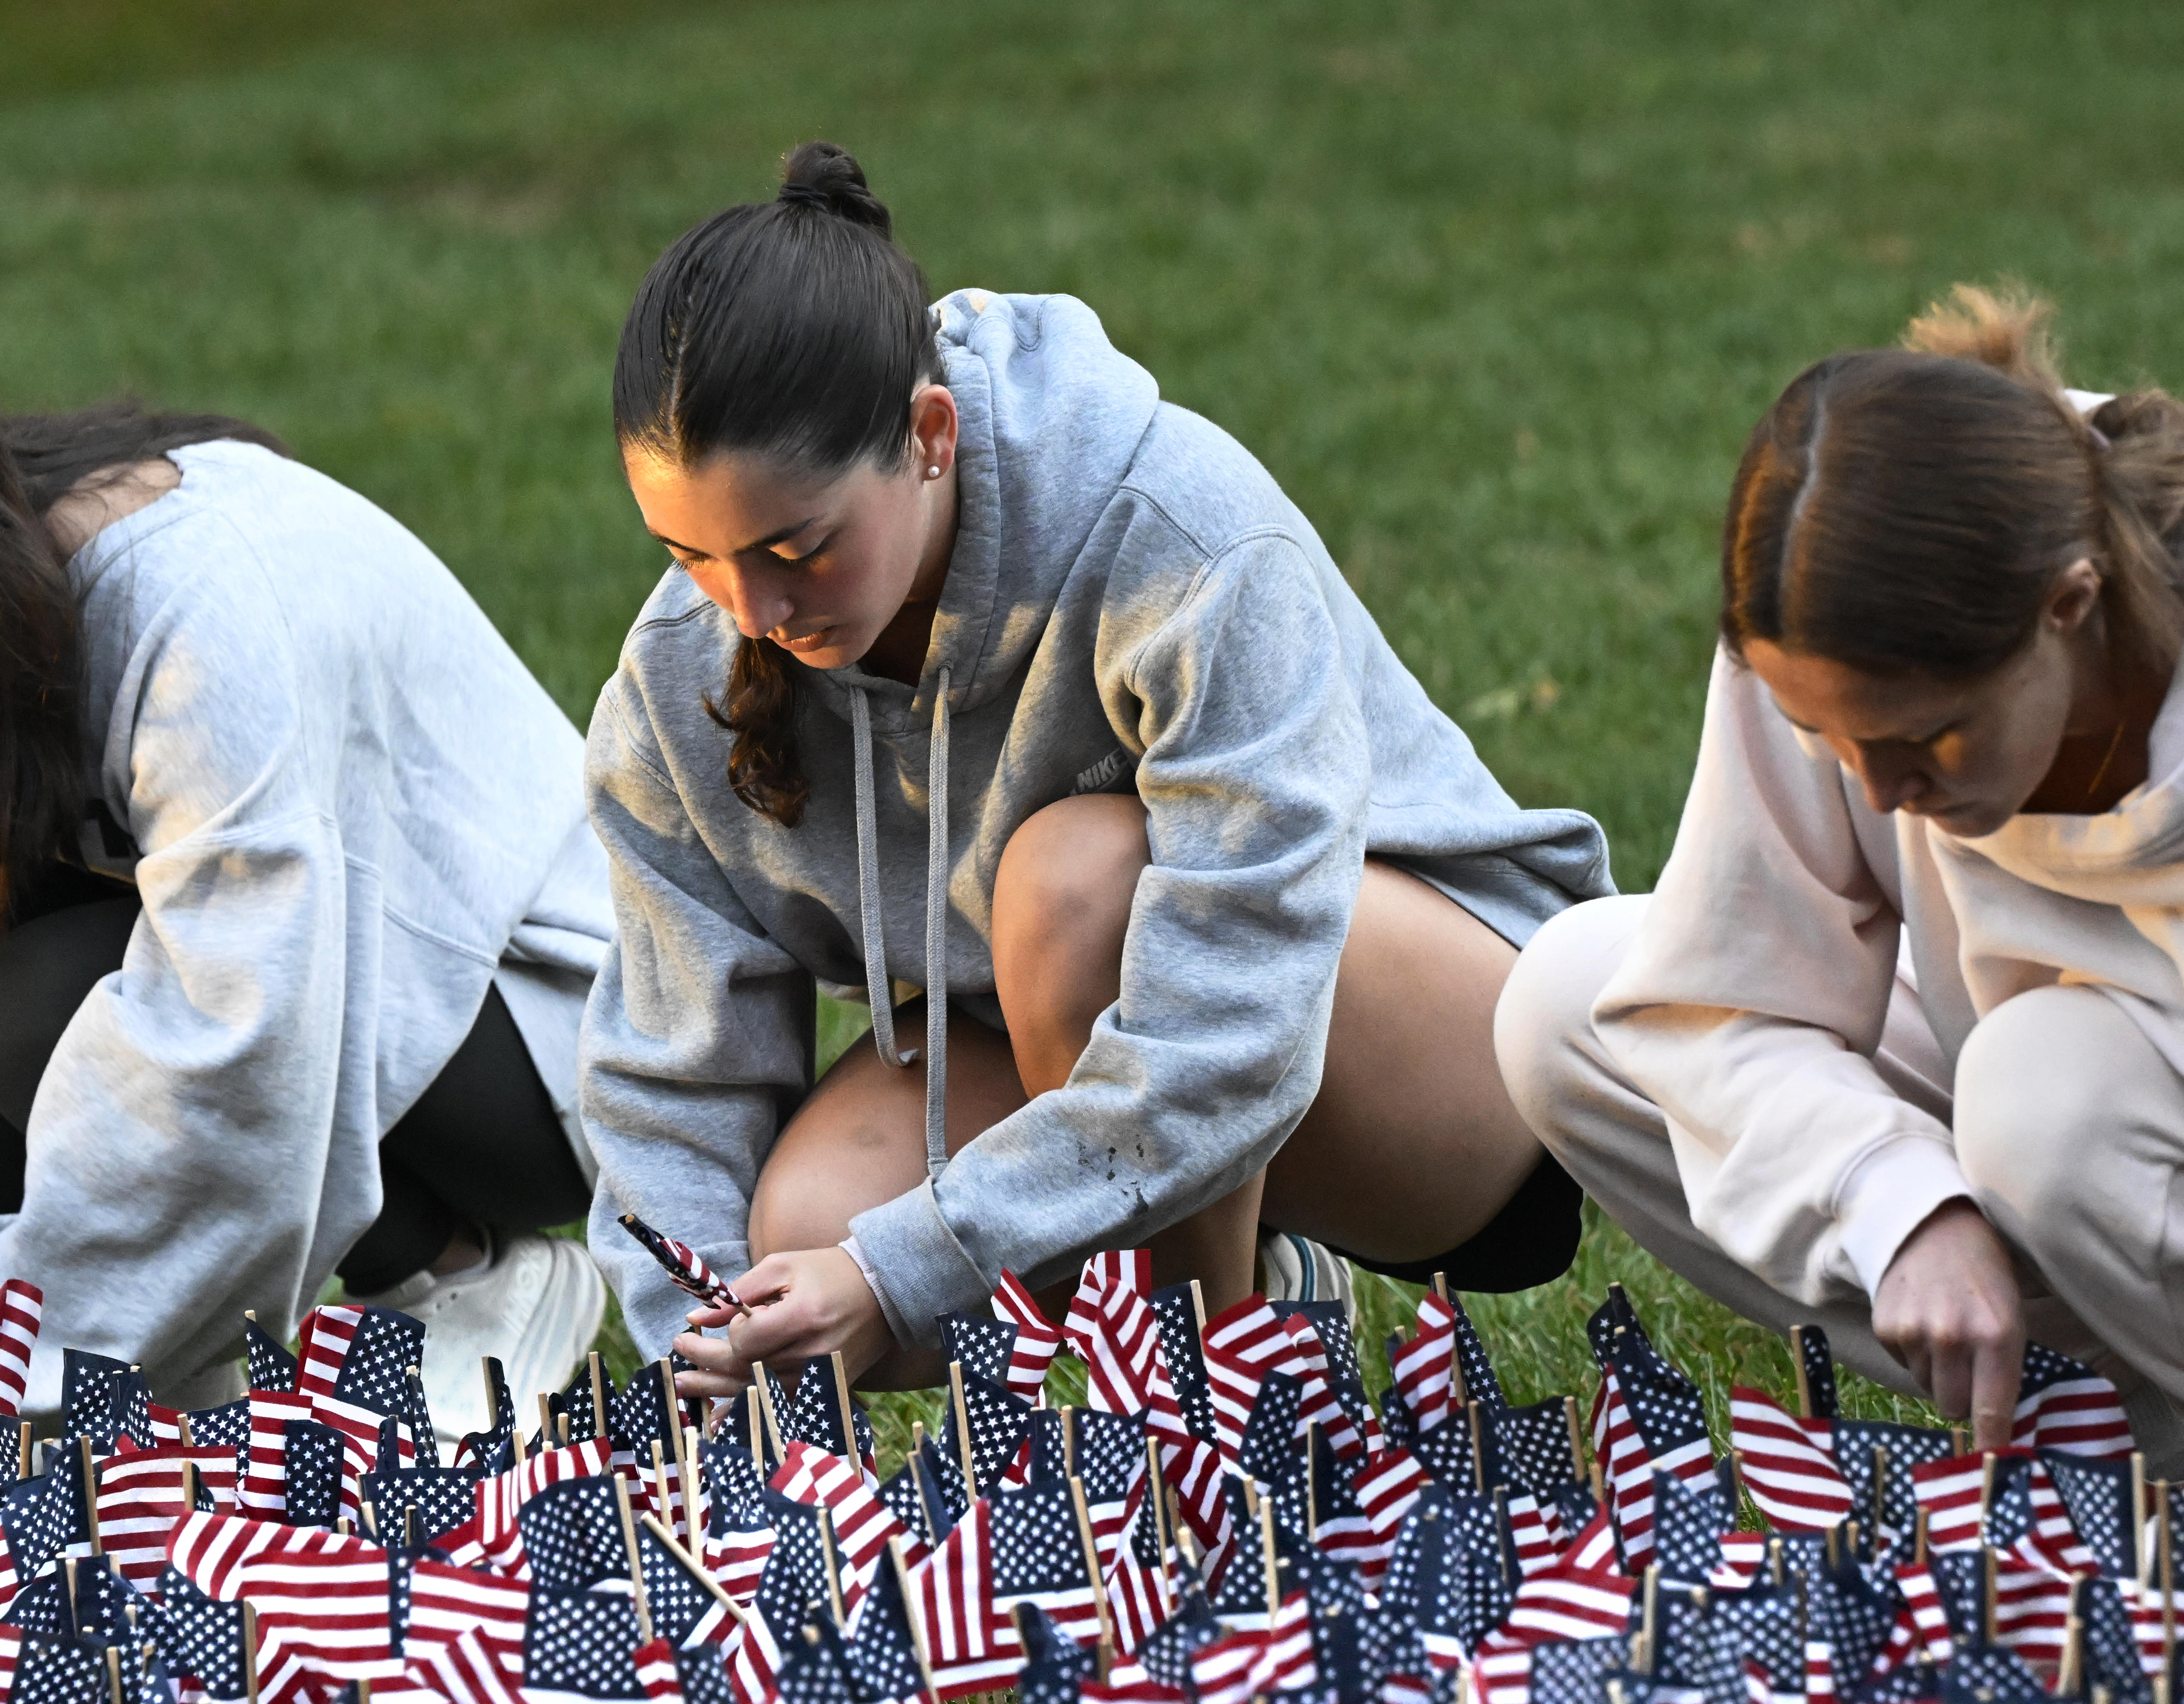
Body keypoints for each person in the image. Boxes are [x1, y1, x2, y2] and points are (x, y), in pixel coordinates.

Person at [1495, 286, 2184, 1596]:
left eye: (1921, 743)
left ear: (2070, 606)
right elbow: (1709, 1001)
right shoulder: (1854, 617)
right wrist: (1895, 1200)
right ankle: (2104, 1451)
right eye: (1826, 739)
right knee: (1569, 1000)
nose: (1870, 789)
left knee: (2045, 1098)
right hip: (2096, 1156)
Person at [581, 142, 1611, 1396]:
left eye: (799, 548)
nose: (748, 607)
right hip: (1072, 1045)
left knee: (1073, 883)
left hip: (1450, 1072)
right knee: (802, 1253)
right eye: (692, 554)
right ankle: (1267, 1283)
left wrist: (914, 1259)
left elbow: (1233, 1026)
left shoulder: (1174, 532)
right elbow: (671, 1070)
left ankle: (1217, 1404)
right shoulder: (676, 675)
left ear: (927, 435)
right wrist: (690, 1344)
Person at [0, 296, 613, 1433]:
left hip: (539, 1034)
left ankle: (456, 1272)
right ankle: (131, 1357)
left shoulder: (202, 613)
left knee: (45, 1002)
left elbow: (236, 1052)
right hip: (325, 1011)